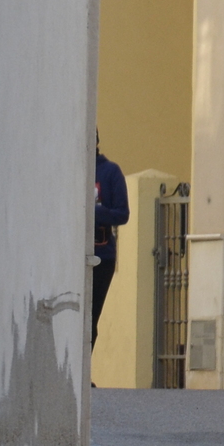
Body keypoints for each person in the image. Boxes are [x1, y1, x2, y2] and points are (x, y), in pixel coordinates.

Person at [92, 140, 129, 347]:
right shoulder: (70, 168)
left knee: (90, 317)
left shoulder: (111, 171)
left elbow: (122, 214)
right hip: (72, 256)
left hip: (102, 255)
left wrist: (96, 212)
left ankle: (84, 363)